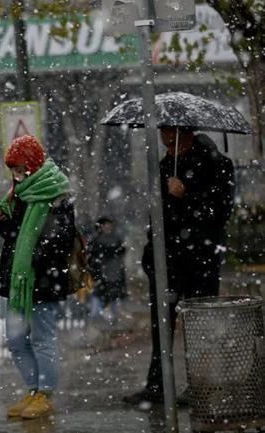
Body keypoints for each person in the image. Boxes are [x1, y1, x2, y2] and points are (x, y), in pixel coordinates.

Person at [123, 127, 235, 406]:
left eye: (172, 141)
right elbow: (158, 214)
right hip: (167, 260)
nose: (168, 147)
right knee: (161, 325)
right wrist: (151, 254)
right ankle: (158, 385)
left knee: (199, 327)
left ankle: (200, 384)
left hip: (201, 259)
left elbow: (221, 210)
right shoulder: (164, 166)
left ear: (187, 135)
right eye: (164, 141)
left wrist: (186, 194)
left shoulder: (217, 164)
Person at [0, 135, 75, 420]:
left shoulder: (55, 192)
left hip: (42, 279)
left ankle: (45, 393)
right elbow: (15, 235)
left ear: (33, 164)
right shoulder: (19, 193)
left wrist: (34, 257)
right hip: (19, 280)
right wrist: (2, 221)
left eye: (20, 168)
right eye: (13, 170)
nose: (17, 175)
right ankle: (33, 390)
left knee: (43, 338)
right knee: (16, 338)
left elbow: (60, 239)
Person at [87, 216, 127, 322]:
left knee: (112, 298)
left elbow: (121, 252)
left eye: (109, 225)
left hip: (113, 273)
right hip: (102, 273)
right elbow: (91, 258)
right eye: (105, 225)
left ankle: (109, 320)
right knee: (99, 297)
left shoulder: (116, 239)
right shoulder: (96, 240)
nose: (108, 227)